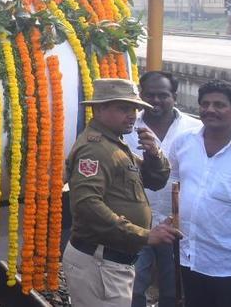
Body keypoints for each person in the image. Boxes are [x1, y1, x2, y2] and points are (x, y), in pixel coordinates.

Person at [64, 78, 181, 307]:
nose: (132, 115)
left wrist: (153, 154)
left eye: (135, 109)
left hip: (110, 262)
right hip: (100, 262)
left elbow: (155, 181)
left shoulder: (114, 144)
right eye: (123, 108)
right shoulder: (95, 148)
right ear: (99, 109)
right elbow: (87, 205)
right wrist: (144, 235)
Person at [164, 80, 231, 307]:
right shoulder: (185, 141)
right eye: (204, 104)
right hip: (189, 256)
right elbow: (175, 179)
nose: (210, 110)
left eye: (219, 105)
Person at [123, 71, 203, 307]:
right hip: (136, 222)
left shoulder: (195, 129)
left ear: (174, 97)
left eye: (163, 95)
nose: (156, 101)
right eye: (150, 95)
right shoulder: (127, 127)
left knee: (174, 290)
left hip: (177, 225)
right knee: (133, 288)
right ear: (141, 95)